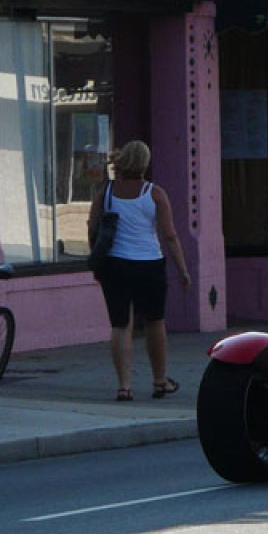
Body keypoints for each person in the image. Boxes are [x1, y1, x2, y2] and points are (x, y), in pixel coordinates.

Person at [87, 140, 192, 401]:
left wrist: (96, 254)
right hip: (150, 265)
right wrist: (183, 270)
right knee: (155, 321)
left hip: (115, 264)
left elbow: (92, 225)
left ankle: (124, 386)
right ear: (145, 163)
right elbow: (169, 235)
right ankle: (159, 381)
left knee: (121, 325)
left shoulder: (106, 191)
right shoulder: (155, 193)